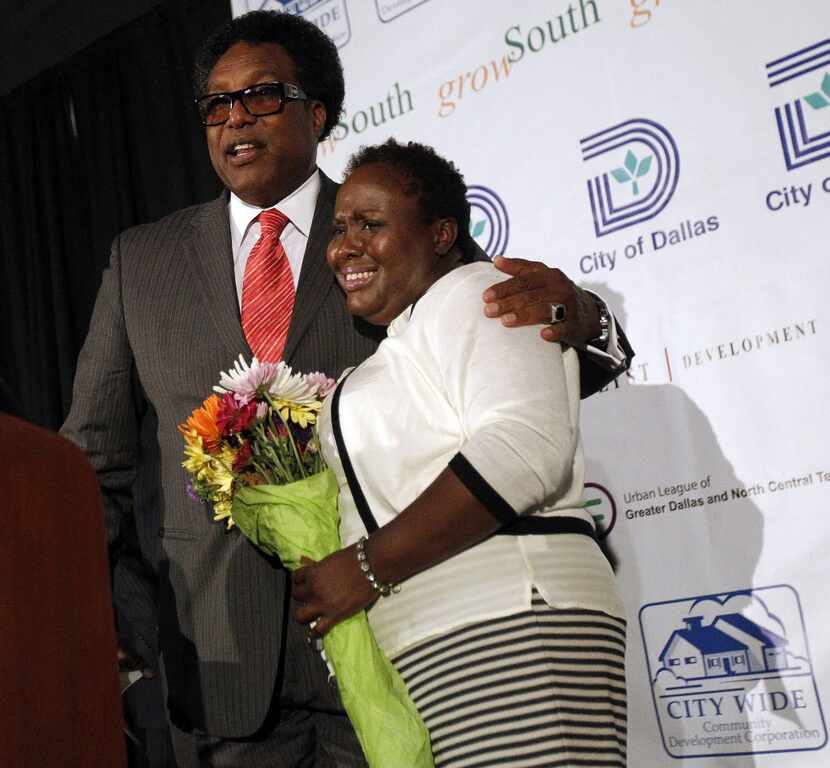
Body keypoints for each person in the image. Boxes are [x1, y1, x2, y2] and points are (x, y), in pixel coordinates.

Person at [62, 10, 632, 767]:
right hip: (218, 662)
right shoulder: (143, 261)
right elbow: (87, 470)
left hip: (397, 641)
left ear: (317, 112)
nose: (235, 120)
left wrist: (580, 313)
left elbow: (506, 330)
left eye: (262, 96)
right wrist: (130, 640)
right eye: (217, 104)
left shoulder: (381, 222)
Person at [292, 140, 627, 767]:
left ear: (442, 233)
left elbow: (524, 447)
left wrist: (362, 568)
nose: (345, 246)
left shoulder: (487, 294)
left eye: (371, 223)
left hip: (508, 620)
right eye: (340, 228)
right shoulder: (405, 335)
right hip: (436, 642)